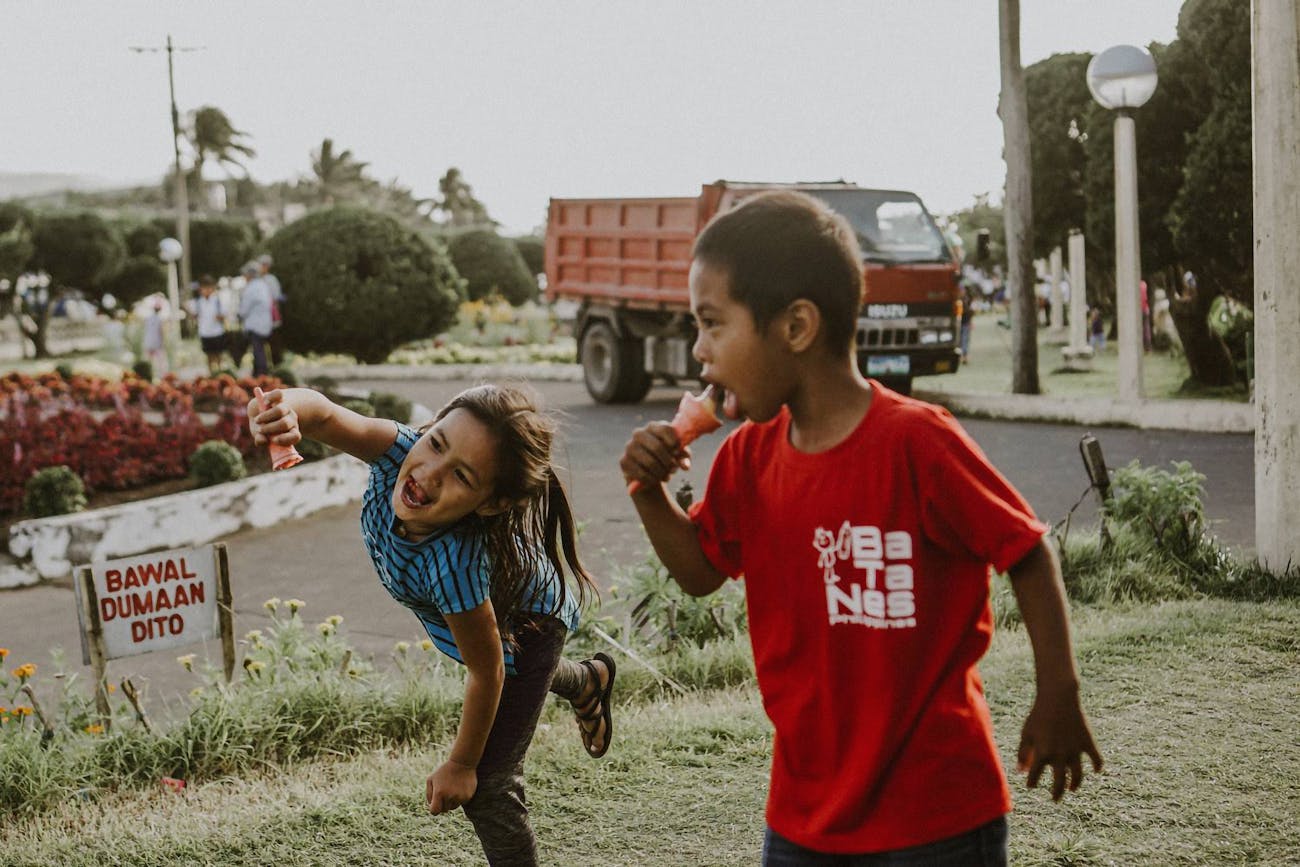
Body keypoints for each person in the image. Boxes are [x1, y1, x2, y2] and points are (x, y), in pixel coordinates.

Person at [619, 191, 1101, 865]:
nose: (699, 352)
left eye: (712, 324)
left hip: (937, 816)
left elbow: (1026, 549)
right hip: (803, 818)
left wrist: (1059, 693)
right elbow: (701, 571)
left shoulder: (918, 443)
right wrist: (648, 492)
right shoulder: (748, 458)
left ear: (796, 326)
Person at [249, 382, 616, 866]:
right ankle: (588, 680)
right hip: (498, 619)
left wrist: (462, 765)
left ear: (490, 503)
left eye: (461, 476)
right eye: (436, 443)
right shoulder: (397, 449)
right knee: (517, 670)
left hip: (534, 621)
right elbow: (324, 415)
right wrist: (284, 411)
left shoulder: (455, 565)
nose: (429, 472)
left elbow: (487, 673)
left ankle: (580, 682)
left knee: (489, 787)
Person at [238, 261, 273, 376]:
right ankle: (258, 372)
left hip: (255, 325)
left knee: (258, 351)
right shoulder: (263, 285)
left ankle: (261, 375)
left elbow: (244, 310)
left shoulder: (251, 288)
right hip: (265, 324)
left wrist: (238, 315)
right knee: (259, 350)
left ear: (250, 275)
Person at [191, 274, 228, 373]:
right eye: (204, 288)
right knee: (209, 355)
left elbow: (224, 314)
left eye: (209, 287)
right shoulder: (198, 302)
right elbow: (195, 315)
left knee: (219, 355)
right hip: (205, 332)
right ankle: (212, 374)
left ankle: (220, 373)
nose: (206, 290)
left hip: (217, 332)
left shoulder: (217, 300)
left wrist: (220, 317)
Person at [259, 253, 286, 366]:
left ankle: (277, 367)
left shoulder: (271, 279)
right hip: (260, 317)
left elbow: (276, 297)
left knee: (274, 344)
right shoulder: (256, 280)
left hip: (271, 316)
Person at [141, 297, 167, 376]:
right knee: (161, 361)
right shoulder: (160, 319)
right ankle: (162, 375)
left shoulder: (148, 318)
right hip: (156, 342)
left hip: (148, 341)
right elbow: (161, 331)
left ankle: (148, 374)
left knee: (149, 360)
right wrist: (163, 341)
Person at [959, 284, 975, 364]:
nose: (962, 292)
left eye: (963, 290)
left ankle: (964, 356)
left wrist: (971, 322)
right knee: (960, 340)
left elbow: (970, 312)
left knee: (965, 339)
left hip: (966, 322)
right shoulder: (957, 300)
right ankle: (961, 356)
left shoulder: (967, 300)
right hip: (958, 323)